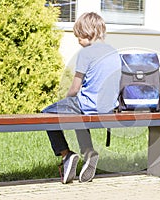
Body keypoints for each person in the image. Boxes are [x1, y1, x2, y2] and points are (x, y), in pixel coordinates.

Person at [41, 12, 122, 184]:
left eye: (81, 35)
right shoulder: (114, 52)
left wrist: (66, 99)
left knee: (46, 114)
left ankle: (66, 155)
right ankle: (88, 152)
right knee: (78, 114)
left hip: (88, 104)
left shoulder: (86, 53)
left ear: (90, 32)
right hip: (107, 107)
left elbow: (75, 88)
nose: (78, 40)